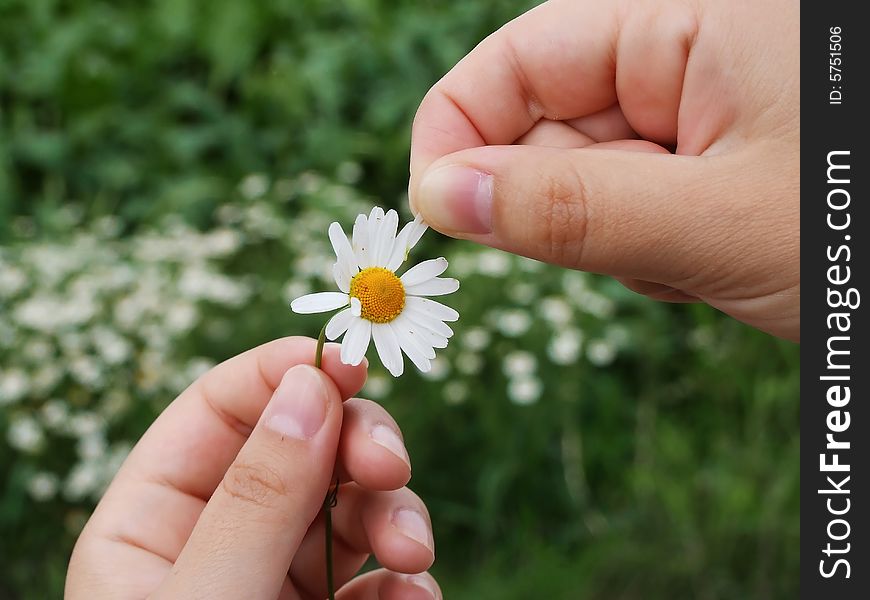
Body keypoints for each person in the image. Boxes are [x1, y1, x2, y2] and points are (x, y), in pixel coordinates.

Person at [66, 0, 799, 597]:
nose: (377, 290)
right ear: (359, 287)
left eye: (380, 289)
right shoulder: (365, 299)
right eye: (370, 288)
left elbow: (422, 295)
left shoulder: (392, 294)